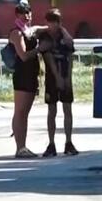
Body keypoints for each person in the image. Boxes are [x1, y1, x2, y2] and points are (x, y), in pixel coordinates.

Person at [9, 0, 50, 159]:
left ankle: (22, 146)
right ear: (17, 15)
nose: (26, 15)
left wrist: (53, 26)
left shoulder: (29, 30)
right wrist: (40, 49)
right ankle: (20, 148)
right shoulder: (17, 33)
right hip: (22, 76)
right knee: (20, 112)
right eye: (22, 13)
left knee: (23, 112)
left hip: (31, 75)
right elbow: (24, 56)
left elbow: (41, 29)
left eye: (28, 12)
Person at [38, 8, 78, 157]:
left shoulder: (65, 37)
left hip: (65, 74)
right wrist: (57, 78)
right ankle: (51, 143)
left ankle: (69, 142)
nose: (51, 26)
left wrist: (67, 78)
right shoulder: (45, 37)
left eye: (54, 22)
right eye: (49, 22)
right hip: (51, 78)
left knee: (67, 109)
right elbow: (48, 58)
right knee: (52, 110)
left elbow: (70, 56)